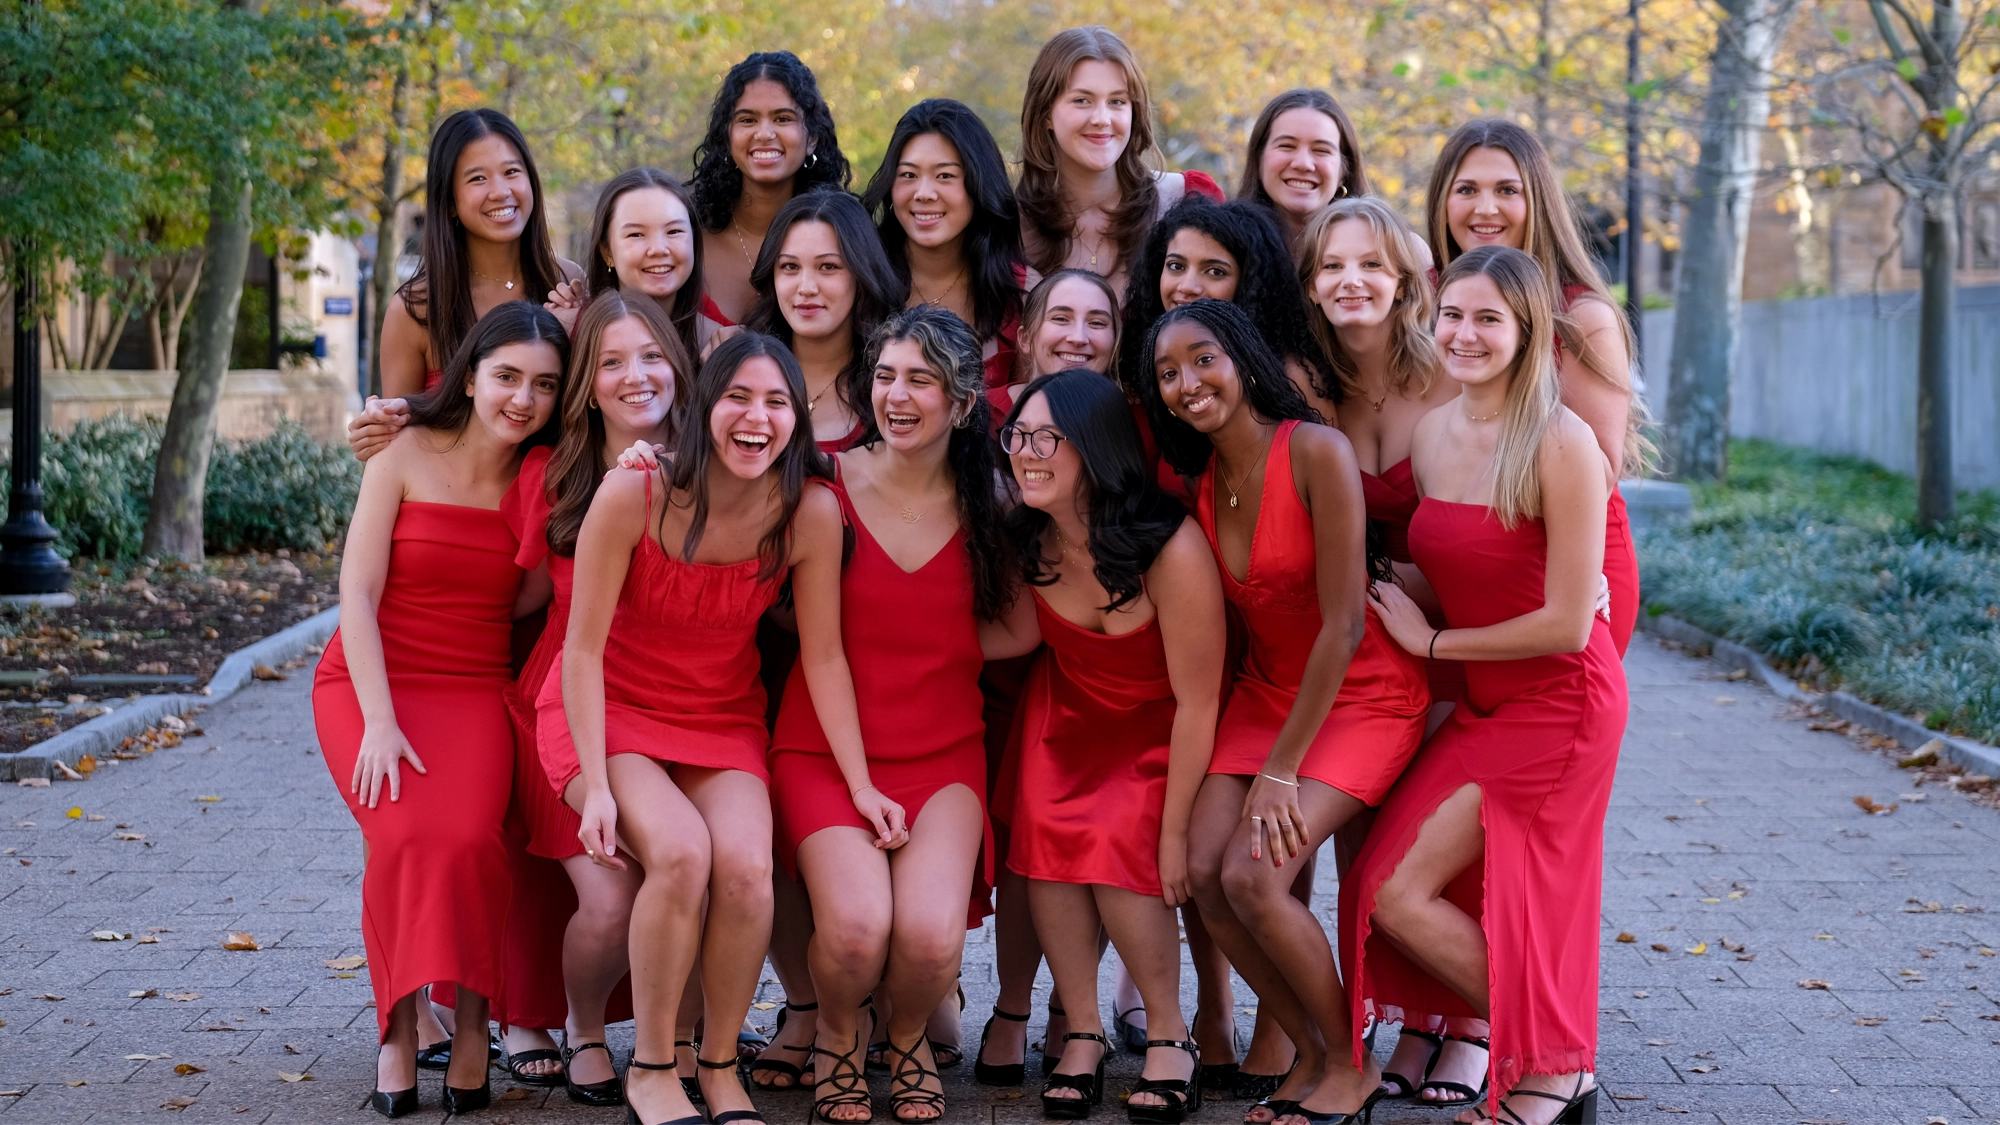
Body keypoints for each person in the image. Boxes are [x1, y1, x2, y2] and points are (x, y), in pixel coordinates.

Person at [1347, 246, 1624, 1125]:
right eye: (1453, 315)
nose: (1464, 335)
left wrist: (1432, 639)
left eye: (1488, 319)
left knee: (1434, 893)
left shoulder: (1561, 442)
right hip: (1485, 701)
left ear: (1528, 330)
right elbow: (1453, 564)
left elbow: (1571, 622)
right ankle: (1556, 1062)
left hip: (1563, 703)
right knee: (1383, 889)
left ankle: (1546, 1071)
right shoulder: (1433, 433)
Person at [1141, 298, 1430, 1125]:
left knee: (1254, 877)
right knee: (1203, 868)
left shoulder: (1317, 452)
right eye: (1168, 373)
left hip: (1361, 690)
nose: (1187, 383)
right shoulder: (1200, 482)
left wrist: (1280, 770)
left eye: (1202, 359)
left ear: (1241, 358)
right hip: (1267, 691)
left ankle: (1349, 1061)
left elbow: (1342, 626)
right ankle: (1308, 1048)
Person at [561, 331, 856, 1125]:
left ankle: (720, 1064)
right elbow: (580, 651)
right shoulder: (636, 493)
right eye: (738, 396)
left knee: (747, 872)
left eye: (777, 402)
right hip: (612, 709)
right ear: (702, 407)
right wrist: (591, 783)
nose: (756, 417)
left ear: (798, 418)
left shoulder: (810, 512)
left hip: (721, 718)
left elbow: (824, 659)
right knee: (683, 854)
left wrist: (861, 784)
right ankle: (654, 1066)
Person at [768, 306, 1025, 1123]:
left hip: (945, 752)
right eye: (885, 376)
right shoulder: (824, 490)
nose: (898, 395)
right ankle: (841, 1028)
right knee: (853, 929)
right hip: (825, 750)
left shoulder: (995, 500)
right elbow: (823, 652)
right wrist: (859, 783)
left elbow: (1022, 625)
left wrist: (938, 645)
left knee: (928, 940)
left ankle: (907, 1034)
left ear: (959, 402)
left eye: (921, 379)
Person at [312, 301, 568, 1119]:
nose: (521, 398)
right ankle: (394, 1029)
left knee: (471, 842)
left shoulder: (539, 479)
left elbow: (527, 598)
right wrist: (381, 720)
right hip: (368, 678)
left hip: (474, 685)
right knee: (402, 834)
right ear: (470, 374)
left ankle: (473, 1023)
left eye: (544, 385)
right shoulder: (401, 450)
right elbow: (355, 590)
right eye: (506, 376)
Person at [997, 369, 1226, 1123]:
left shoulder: (1171, 545)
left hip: (1161, 727)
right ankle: (1084, 1027)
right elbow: (1019, 635)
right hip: (1068, 717)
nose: (1024, 453)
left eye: (1044, 439)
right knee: (1049, 831)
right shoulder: (1032, 536)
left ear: (1092, 446)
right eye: (1016, 436)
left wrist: (1174, 829)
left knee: (1120, 836)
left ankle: (1169, 1034)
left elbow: (1198, 699)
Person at [502, 291, 693, 1105]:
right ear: (585, 383)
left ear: (679, 369)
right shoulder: (552, 476)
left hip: (687, 699)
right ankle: (583, 1023)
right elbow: (525, 601)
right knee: (610, 897)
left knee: (711, 863)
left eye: (650, 355)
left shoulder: (712, 460)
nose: (634, 375)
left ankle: (683, 1037)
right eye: (610, 361)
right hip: (575, 699)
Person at [1425, 118, 1643, 655]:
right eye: (1467, 190)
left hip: (1560, 567)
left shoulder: (1580, 317)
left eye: (1507, 190)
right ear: (1441, 202)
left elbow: (1601, 463)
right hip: (1462, 560)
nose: (1485, 208)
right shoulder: (1430, 307)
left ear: (1537, 201)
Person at [349, 109, 582, 460]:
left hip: (551, 504)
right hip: (451, 504)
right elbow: (395, 446)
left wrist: (572, 338)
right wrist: (374, 431)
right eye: (477, 179)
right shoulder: (416, 308)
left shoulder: (569, 284)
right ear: (450, 202)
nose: (501, 191)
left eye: (511, 172)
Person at [1015, 26, 1223, 299]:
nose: (1102, 118)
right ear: (1045, 115)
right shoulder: (1004, 227)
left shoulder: (1187, 199)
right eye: (1082, 100)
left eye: (1117, 101)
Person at [1121, 195, 1340, 421]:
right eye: (1176, 266)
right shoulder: (1141, 367)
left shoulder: (1290, 375)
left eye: (1215, 271)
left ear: (1249, 285)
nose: (1187, 287)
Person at [862, 98, 1028, 390]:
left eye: (945, 176)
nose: (924, 193)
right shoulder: (860, 279)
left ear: (978, 184)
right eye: (909, 175)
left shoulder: (1023, 294)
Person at [690, 52, 852, 328]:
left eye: (783, 119)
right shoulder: (685, 237)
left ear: (812, 138)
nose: (764, 133)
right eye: (748, 120)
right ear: (727, 137)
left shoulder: (846, 240)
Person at [744, 189, 908, 453]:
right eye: (790, 267)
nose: (806, 287)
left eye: (828, 267)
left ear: (861, 274)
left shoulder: (895, 382)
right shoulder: (740, 369)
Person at [544, 168, 714, 360]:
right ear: (607, 252)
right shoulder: (566, 331)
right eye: (636, 234)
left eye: (674, 231)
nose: (658, 249)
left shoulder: (716, 343)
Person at [1236, 90, 1370, 253]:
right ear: (1258, 159)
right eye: (1286, 146)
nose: (1303, 164)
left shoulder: (1393, 256)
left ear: (1344, 171)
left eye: (1321, 150)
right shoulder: (1220, 251)